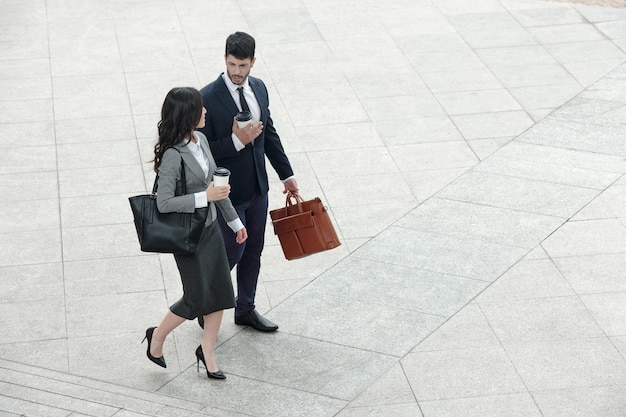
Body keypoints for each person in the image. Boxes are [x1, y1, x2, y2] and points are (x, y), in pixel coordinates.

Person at [142, 87, 248, 380]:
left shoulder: (200, 140)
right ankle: (157, 338)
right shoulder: (173, 156)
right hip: (187, 237)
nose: (206, 112)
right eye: (200, 108)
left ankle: (208, 352)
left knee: (221, 293)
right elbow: (163, 203)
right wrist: (205, 197)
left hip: (211, 229)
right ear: (188, 114)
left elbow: (217, 185)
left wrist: (235, 223)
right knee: (196, 298)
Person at [198, 31, 298, 332]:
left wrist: (287, 174)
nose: (237, 72)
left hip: (258, 188)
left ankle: (246, 308)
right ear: (225, 60)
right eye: (232, 65)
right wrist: (235, 141)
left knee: (254, 249)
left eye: (243, 65)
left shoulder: (260, 88)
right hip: (228, 194)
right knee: (231, 252)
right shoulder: (206, 98)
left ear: (253, 62)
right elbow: (202, 153)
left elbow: (268, 133)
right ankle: (204, 301)